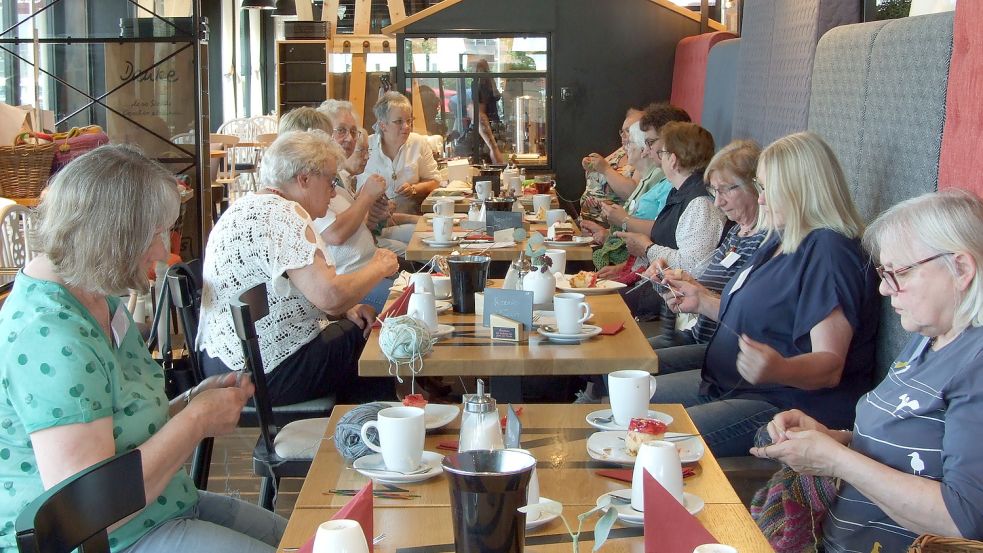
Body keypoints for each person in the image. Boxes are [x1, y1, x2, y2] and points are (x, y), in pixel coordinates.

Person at [0, 145, 285, 553]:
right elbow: (91, 511)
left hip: (159, 509)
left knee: (297, 540)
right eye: (155, 234)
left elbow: (117, 428)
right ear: (111, 234)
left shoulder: (96, 299)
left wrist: (189, 403)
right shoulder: (49, 335)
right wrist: (197, 422)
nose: (163, 250)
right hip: (111, 538)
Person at [752, 190, 983, 552]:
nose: (882, 287)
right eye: (883, 272)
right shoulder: (928, 338)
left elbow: (963, 518)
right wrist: (831, 438)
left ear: (962, 269)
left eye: (898, 272)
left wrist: (835, 460)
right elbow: (906, 452)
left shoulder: (976, 361)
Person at [647, 131, 879, 457]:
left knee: (653, 441)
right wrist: (703, 301)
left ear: (800, 190)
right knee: (633, 397)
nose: (760, 199)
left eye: (768, 189)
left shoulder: (830, 252)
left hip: (782, 404)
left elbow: (829, 368)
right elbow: (759, 316)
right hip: (732, 384)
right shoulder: (781, 239)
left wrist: (779, 368)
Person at [198, 130, 399, 406]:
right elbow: (330, 296)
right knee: (372, 341)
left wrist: (346, 310)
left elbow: (302, 290)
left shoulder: (246, 206)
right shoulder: (284, 214)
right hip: (263, 372)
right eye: (330, 181)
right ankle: (367, 434)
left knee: (355, 333)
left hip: (224, 363)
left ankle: (353, 431)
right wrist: (379, 266)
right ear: (304, 179)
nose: (333, 192)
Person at [648, 140, 766, 360]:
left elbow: (749, 313)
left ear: (755, 185)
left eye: (725, 190)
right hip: (697, 335)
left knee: (626, 368)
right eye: (714, 191)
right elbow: (714, 290)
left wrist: (698, 294)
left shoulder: (766, 242)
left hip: (724, 351)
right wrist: (676, 280)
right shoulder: (736, 232)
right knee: (620, 356)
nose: (718, 202)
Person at [279, 107, 392, 313]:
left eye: (352, 131)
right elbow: (335, 234)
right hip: (350, 280)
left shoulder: (332, 181)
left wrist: (372, 214)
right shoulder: (296, 201)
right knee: (416, 301)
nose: (348, 139)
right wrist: (366, 197)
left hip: (357, 280)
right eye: (337, 132)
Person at [357, 91, 441, 216]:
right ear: (382, 125)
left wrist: (414, 189)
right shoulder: (366, 146)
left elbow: (435, 182)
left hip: (409, 218)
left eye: (409, 120)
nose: (406, 126)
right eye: (398, 122)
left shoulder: (419, 143)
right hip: (373, 223)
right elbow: (355, 191)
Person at [579, 107, 642, 223]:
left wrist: (605, 169)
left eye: (628, 131)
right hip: (586, 222)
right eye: (622, 131)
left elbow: (633, 193)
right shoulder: (622, 151)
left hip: (610, 230)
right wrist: (590, 166)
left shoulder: (644, 157)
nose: (623, 135)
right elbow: (598, 174)